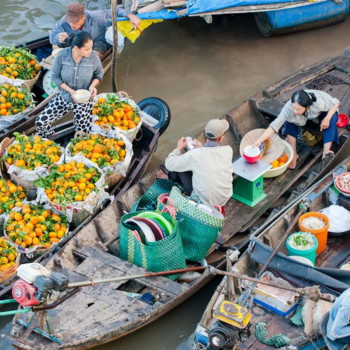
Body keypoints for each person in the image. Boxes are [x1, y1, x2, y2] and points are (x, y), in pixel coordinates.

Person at [36, 31, 103, 138]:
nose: (90, 51)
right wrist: (70, 91)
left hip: (84, 99)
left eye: (91, 48)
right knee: (40, 122)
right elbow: (55, 76)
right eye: (87, 49)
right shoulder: (62, 56)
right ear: (76, 48)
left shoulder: (94, 57)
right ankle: (48, 136)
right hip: (64, 97)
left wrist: (92, 86)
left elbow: (99, 73)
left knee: (82, 132)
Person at [253, 89, 340, 169]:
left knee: (332, 119)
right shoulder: (289, 108)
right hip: (303, 117)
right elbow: (274, 125)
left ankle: (326, 150)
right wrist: (260, 140)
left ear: (306, 107)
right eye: (293, 107)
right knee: (289, 122)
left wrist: (327, 118)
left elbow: (336, 102)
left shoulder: (319, 103)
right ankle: (293, 153)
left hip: (324, 111)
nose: (295, 111)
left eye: (298, 109)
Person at [158, 119, 233, 207]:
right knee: (195, 164)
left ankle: (169, 177)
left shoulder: (195, 154)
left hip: (202, 202)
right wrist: (201, 148)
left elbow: (169, 164)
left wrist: (178, 148)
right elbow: (211, 156)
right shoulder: (228, 150)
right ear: (221, 138)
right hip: (224, 199)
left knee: (181, 165)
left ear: (205, 132)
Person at [50, 2, 141, 58]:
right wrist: (57, 37)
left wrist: (131, 16)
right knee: (55, 45)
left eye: (76, 22)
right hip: (75, 42)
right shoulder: (63, 22)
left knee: (94, 55)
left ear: (83, 17)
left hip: (96, 41)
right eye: (70, 22)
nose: (72, 25)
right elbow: (52, 37)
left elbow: (116, 11)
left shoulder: (97, 17)